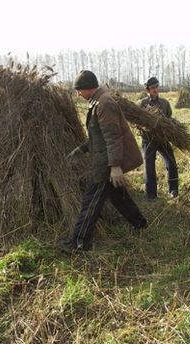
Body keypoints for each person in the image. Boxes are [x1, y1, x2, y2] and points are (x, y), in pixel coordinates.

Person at [59, 70, 147, 253]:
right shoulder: (99, 102)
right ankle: (140, 224)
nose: (78, 94)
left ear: (87, 89)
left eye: (79, 90)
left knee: (91, 201)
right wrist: (81, 149)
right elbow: (98, 136)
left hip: (106, 165)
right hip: (105, 160)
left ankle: (79, 243)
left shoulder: (104, 103)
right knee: (118, 196)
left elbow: (113, 137)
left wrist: (114, 167)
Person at [137, 77, 179, 200]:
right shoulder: (142, 104)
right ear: (147, 90)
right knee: (149, 166)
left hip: (162, 139)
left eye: (157, 87)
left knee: (171, 162)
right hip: (148, 140)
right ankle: (151, 195)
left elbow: (169, 118)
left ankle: (173, 190)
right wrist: (146, 127)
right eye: (152, 88)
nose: (155, 89)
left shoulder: (165, 103)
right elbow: (137, 122)